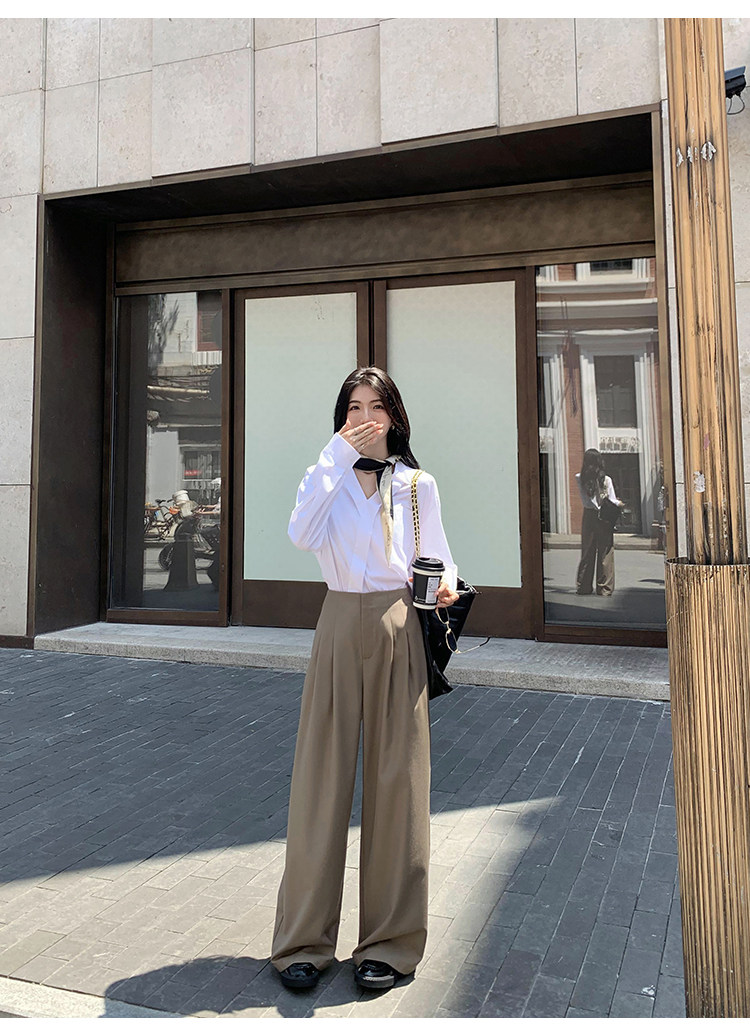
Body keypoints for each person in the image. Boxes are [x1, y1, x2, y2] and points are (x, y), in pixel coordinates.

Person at [270, 366, 459, 993]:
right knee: (319, 779)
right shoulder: (322, 476)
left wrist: (445, 584)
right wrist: (333, 456)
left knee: (398, 782)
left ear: (394, 416)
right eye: (353, 406)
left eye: (376, 405)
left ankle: (390, 943)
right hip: (337, 622)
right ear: (341, 417)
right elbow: (299, 534)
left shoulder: (417, 485)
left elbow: (440, 557)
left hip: (398, 624)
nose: (365, 416)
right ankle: (302, 941)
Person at [575, 447, 624, 596]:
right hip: (604, 517)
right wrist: (620, 504)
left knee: (587, 551)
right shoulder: (606, 480)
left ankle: (583, 586)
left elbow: (587, 501)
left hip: (588, 515)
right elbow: (612, 500)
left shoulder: (579, 478)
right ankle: (604, 588)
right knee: (605, 552)